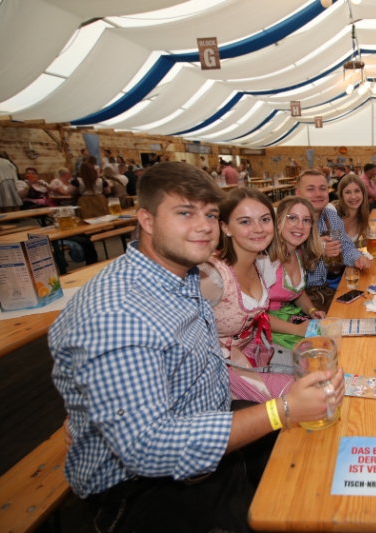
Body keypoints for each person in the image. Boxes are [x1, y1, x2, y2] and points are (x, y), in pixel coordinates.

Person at [50, 162, 345, 533]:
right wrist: (281, 409)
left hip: (208, 421)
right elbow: (148, 448)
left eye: (209, 214)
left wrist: (91, 404)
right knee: (287, 501)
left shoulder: (184, 273)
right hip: (144, 488)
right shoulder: (118, 313)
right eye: (185, 213)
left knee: (316, 461)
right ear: (146, 220)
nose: (204, 226)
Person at [201, 188, 316, 402]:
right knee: (308, 394)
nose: (259, 229)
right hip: (222, 369)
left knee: (317, 367)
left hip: (254, 350)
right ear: (225, 227)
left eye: (264, 219)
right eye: (245, 221)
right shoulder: (212, 274)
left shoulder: (257, 261)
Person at [296, 170, 371, 311]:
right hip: (298, 298)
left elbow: (346, 246)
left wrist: (357, 258)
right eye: (311, 189)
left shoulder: (330, 216)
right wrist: (316, 248)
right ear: (298, 194)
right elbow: (283, 259)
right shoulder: (290, 221)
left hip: (323, 290)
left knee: (362, 306)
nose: (318, 194)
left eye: (322, 188)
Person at [264, 196, 327, 349]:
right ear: (278, 221)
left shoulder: (298, 253)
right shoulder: (264, 258)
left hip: (289, 318)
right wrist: (297, 330)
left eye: (306, 220)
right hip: (266, 329)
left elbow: (297, 293)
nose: (300, 226)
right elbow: (253, 316)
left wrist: (311, 310)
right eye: (292, 218)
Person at [334, 174, 370, 246]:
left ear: (363, 193)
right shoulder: (332, 213)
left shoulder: (362, 218)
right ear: (341, 195)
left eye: (357, 191)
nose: (353, 197)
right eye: (347, 192)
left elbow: (359, 246)